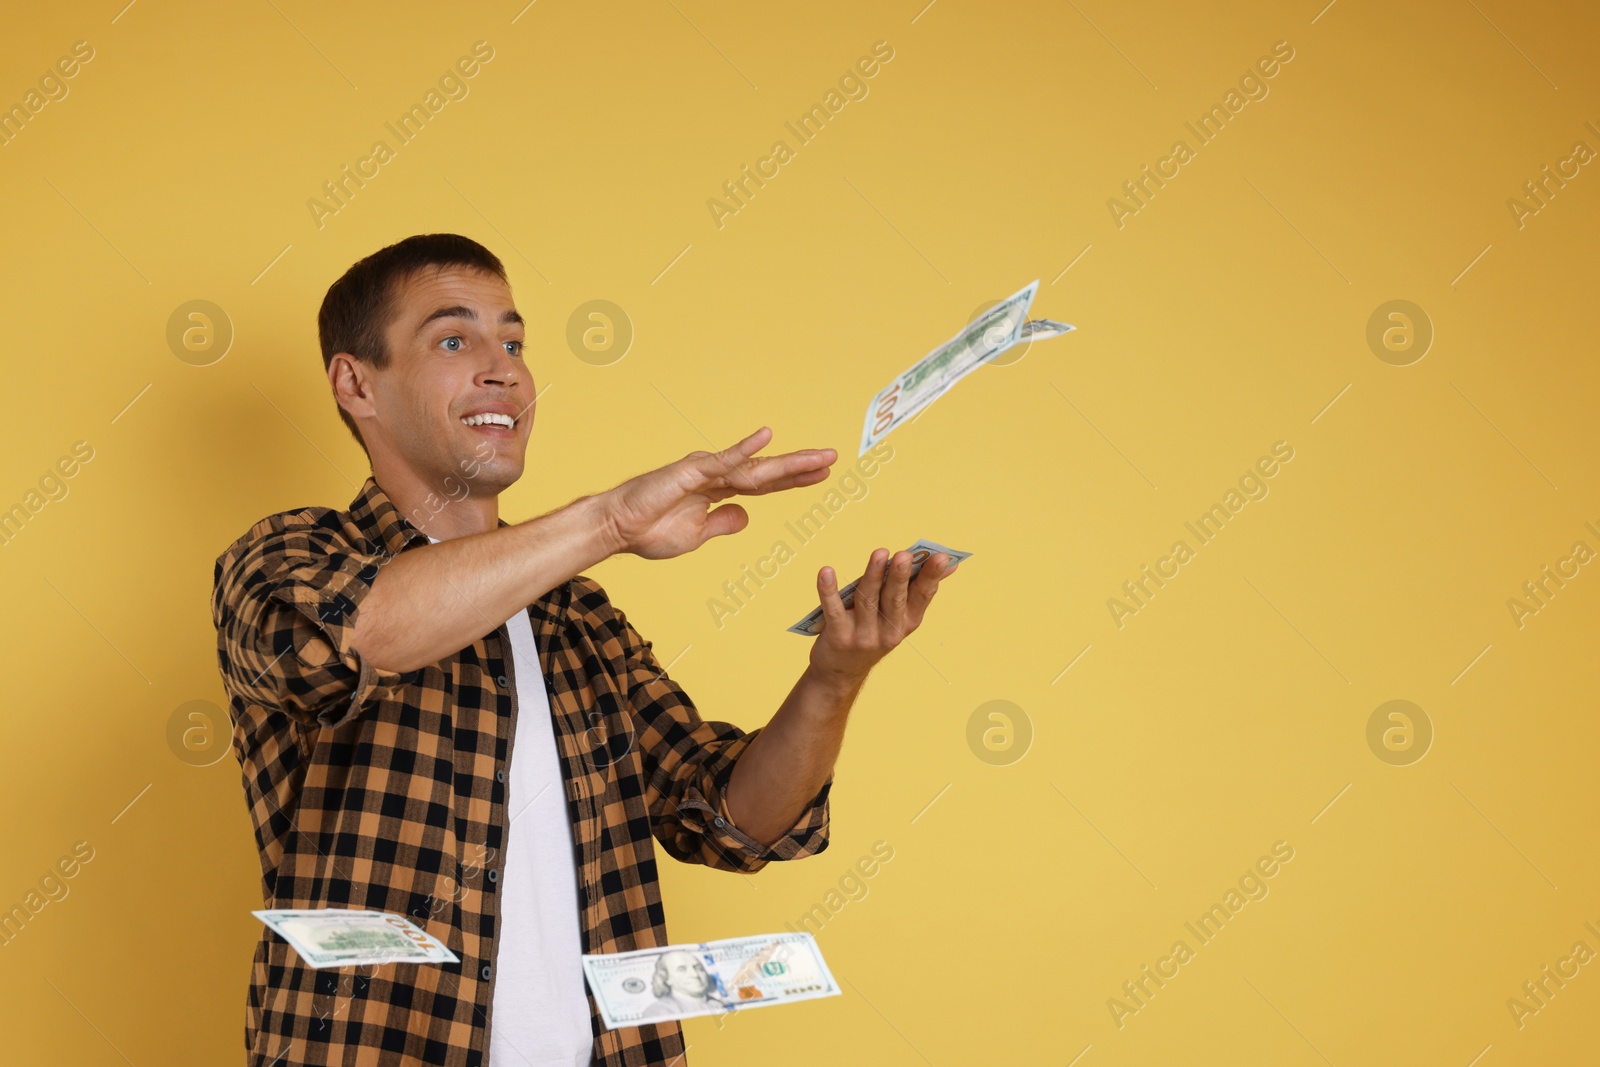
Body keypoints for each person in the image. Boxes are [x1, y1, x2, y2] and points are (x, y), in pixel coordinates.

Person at [210, 233, 958, 1067]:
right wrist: (606, 521)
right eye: (455, 340)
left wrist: (834, 677)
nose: (506, 370)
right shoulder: (289, 557)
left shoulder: (578, 618)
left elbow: (729, 819)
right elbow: (360, 635)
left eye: (516, 342)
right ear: (357, 384)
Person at [639, 951, 730, 1020]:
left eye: (698, 968)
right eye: (681, 969)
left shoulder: (720, 1003)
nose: (695, 974)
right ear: (667, 978)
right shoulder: (658, 1011)